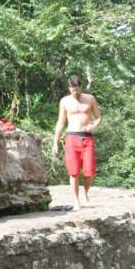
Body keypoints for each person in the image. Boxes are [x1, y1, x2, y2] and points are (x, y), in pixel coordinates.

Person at [52, 74, 102, 210]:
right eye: (72, 90)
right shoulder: (64, 101)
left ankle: (85, 192)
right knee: (73, 172)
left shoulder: (90, 99)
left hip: (87, 136)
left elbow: (98, 118)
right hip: (71, 136)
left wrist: (93, 125)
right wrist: (55, 142)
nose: (75, 92)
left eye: (77, 89)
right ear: (69, 88)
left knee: (90, 171)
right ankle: (76, 200)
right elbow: (61, 123)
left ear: (81, 87)